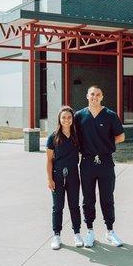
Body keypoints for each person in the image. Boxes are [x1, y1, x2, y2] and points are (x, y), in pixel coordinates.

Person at [74, 85, 125, 248]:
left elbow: (121, 136)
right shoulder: (79, 116)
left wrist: (106, 145)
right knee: (88, 199)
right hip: (87, 162)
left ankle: (110, 231)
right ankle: (89, 231)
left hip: (105, 162)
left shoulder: (110, 115)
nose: (94, 97)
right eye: (92, 94)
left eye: (98, 94)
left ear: (102, 97)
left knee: (107, 198)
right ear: (87, 96)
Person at [46, 106, 84, 250]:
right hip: (57, 175)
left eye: (69, 117)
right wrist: (50, 179)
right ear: (59, 119)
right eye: (63, 117)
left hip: (73, 175)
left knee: (74, 205)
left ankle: (77, 233)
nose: (66, 120)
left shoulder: (77, 136)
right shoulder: (53, 137)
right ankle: (57, 235)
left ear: (72, 119)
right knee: (58, 207)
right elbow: (49, 160)